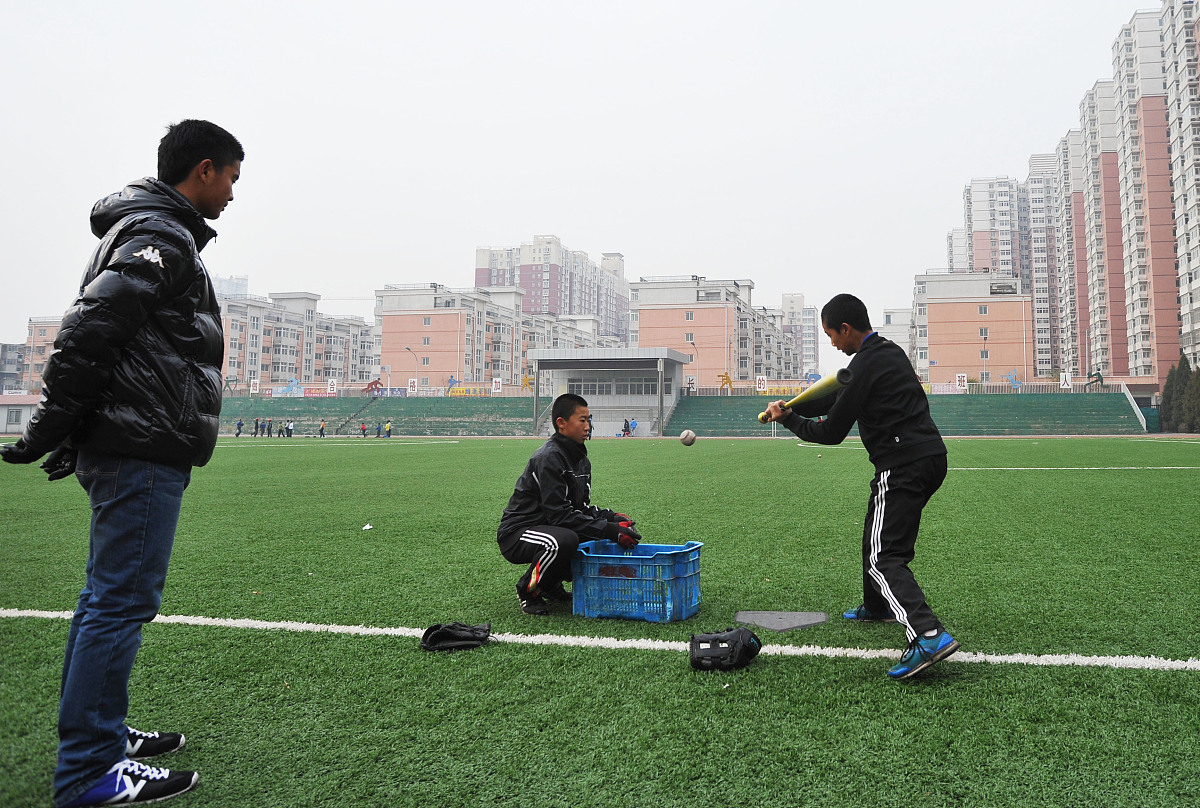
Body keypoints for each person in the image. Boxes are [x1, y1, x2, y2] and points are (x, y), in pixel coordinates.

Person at [0, 119, 243, 805]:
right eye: (230, 177)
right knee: (118, 601)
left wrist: (76, 430)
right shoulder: (157, 237)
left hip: (131, 441)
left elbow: (118, 343)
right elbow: (88, 332)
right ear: (203, 170)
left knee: (107, 598)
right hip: (139, 449)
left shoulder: (147, 233)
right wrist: (56, 423)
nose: (231, 193)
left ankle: (101, 735)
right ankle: (88, 771)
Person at [763, 293, 958, 680]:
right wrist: (790, 409)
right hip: (929, 457)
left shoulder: (866, 363)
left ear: (847, 329)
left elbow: (833, 430)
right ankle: (878, 606)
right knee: (874, 534)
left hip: (902, 464)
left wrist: (787, 423)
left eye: (832, 336)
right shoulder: (887, 353)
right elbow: (836, 398)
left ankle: (928, 633)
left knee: (884, 557)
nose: (833, 343)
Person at [497, 393, 641, 615]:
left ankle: (549, 584)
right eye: (582, 420)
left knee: (585, 533)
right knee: (563, 540)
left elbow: (579, 509)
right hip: (518, 532)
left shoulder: (580, 459)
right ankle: (527, 589)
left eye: (589, 419)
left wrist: (611, 518)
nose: (588, 426)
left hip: (549, 526)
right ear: (561, 424)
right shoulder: (549, 457)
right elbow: (560, 516)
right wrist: (610, 531)